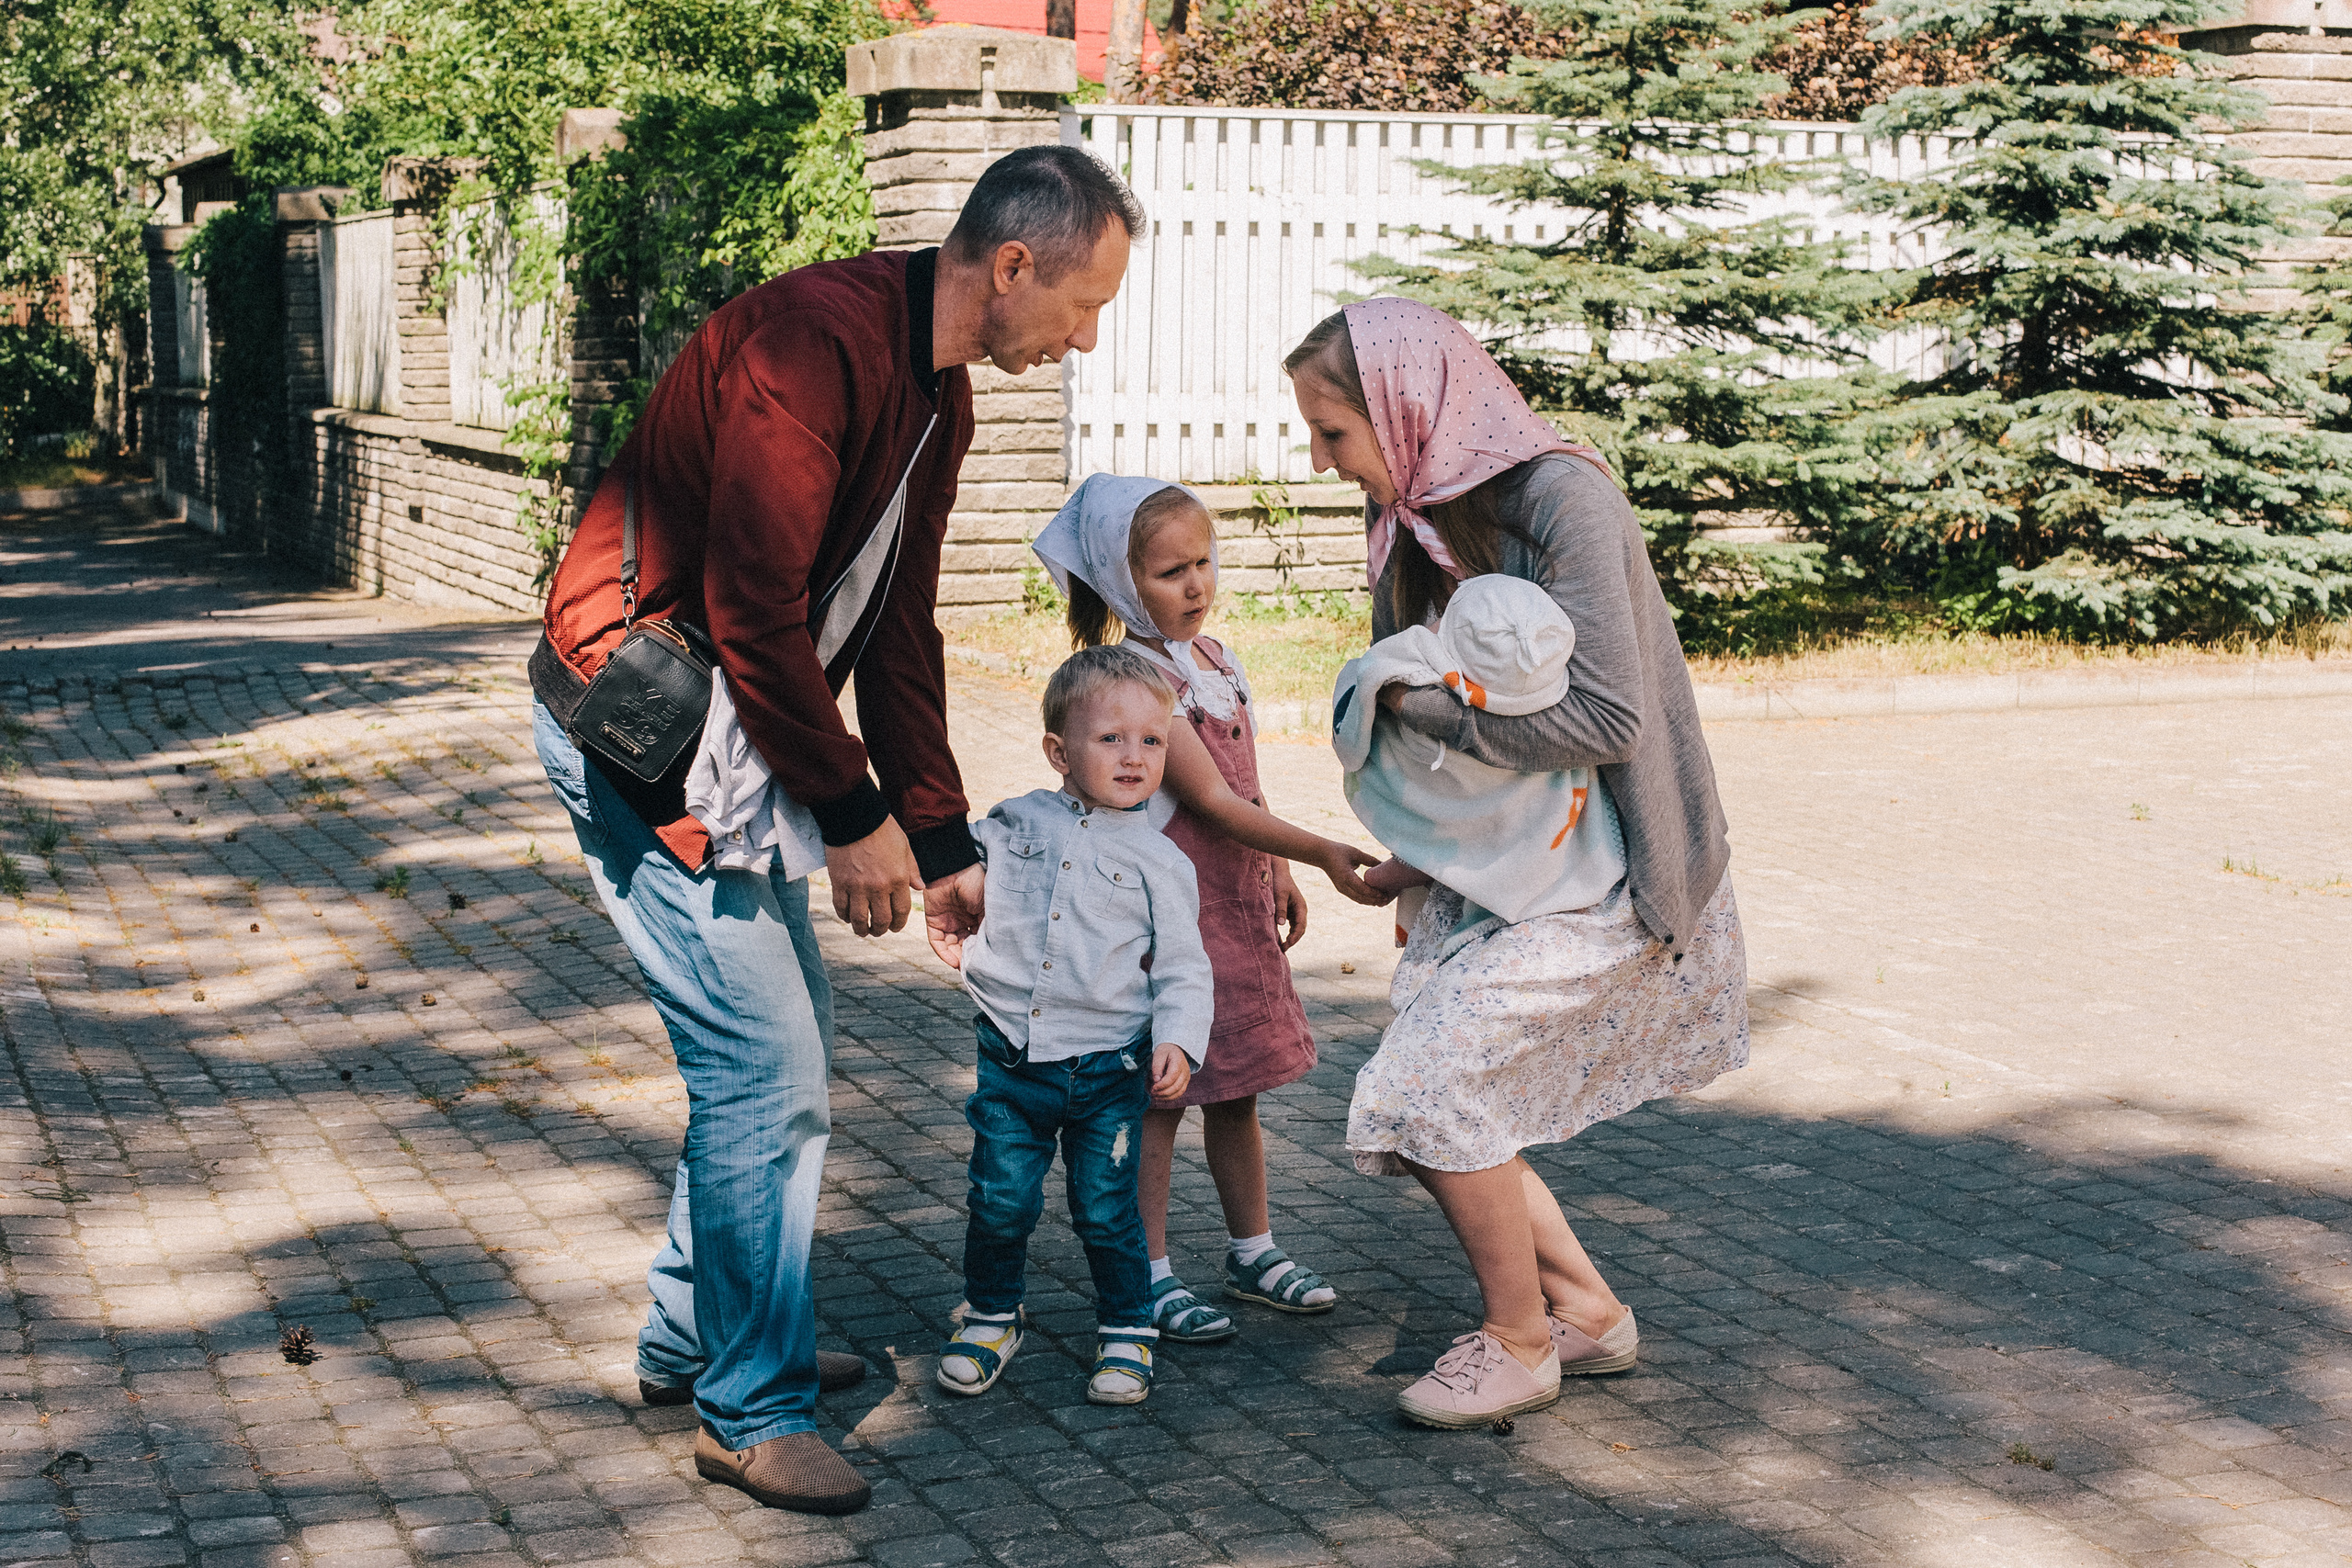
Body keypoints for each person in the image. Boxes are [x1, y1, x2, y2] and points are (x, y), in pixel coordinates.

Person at [526, 145, 1145, 1513]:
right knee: (770, 1071)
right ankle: (749, 1406)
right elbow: (753, 603)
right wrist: (856, 813)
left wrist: (939, 835)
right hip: (642, 728)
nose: (1086, 337)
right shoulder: (812, 345)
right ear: (1014, 265)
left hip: (728, 730)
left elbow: (898, 626)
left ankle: (700, 1339)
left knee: (769, 1059)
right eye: (1085, 305)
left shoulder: (942, 392)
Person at [1283, 299, 1751, 1430]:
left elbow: (1600, 719)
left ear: (1404, 410)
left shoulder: (1560, 498)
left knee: (1428, 1087)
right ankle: (1585, 1310)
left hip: (1612, 874)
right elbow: (1465, 729)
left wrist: (1414, 702)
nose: (1321, 459)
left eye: (1334, 431)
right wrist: (1424, 859)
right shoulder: (1416, 519)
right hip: (1508, 873)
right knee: (1452, 1088)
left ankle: (1519, 1340)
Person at [1029, 475, 1385, 1345]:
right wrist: (1324, 852)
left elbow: (1244, 793)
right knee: (1163, 1097)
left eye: (1203, 562)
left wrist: (1275, 874)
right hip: (1166, 919)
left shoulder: (1217, 661)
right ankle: (1146, 1271)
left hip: (1232, 905)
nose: (1194, 585)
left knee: (1239, 1088)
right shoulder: (1142, 683)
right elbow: (1214, 804)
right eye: (1168, 572)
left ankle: (1252, 1248)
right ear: (1122, 582)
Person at [928, 646, 1210, 1405]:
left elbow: (1185, 965)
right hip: (1012, 1057)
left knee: (1105, 1207)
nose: (1134, 756)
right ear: (1059, 749)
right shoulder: (1014, 820)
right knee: (1000, 1197)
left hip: (1108, 1071)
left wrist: (1178, 1038)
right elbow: (959, 871)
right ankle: (990, 1313)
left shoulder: (1160, 859)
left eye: (1151, 741)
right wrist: (948, 882)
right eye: (1112, 738)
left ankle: (1128, 1326)